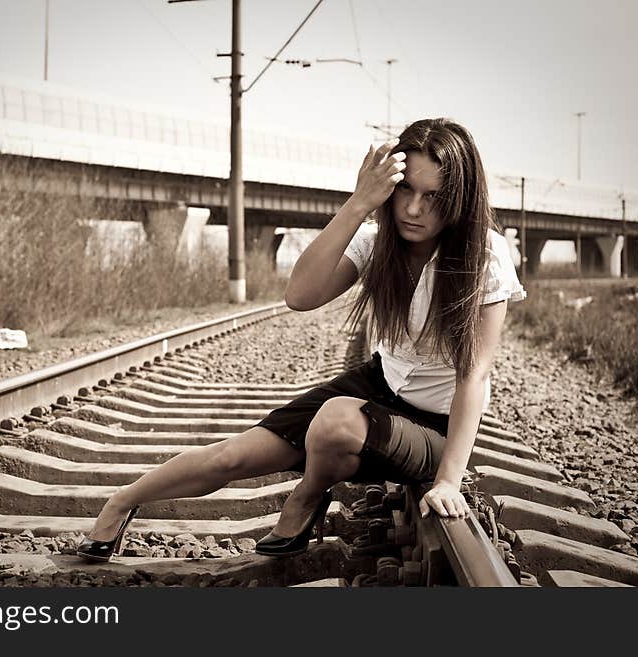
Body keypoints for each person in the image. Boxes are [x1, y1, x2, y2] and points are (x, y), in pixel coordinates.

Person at [77, 117, 526, 562]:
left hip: (433, 426)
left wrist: (449, 478)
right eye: (405, 190)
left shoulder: (483, 256)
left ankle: (308, 495)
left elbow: (475, 374)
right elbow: (300, 295)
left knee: (335, 421)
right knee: (233, 457)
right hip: (379, 388)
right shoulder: (378, 244)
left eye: (432, 196)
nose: (412, 209)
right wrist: (357, 204)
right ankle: (122, 502)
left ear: (459, 199)